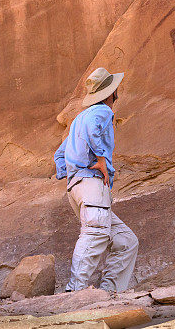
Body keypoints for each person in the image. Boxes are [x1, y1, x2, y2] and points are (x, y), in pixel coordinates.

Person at [54, 67, 139, 292]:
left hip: (78, 188)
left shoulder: (78, 119)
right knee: (95, 234)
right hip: (92, 185)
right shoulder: (102, 111)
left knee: (126, 242)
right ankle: (75, 291)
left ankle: (109, 292)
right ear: (111, 92)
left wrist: (71, 175)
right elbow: (94, 131)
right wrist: (101, 159)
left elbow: (59, 155)